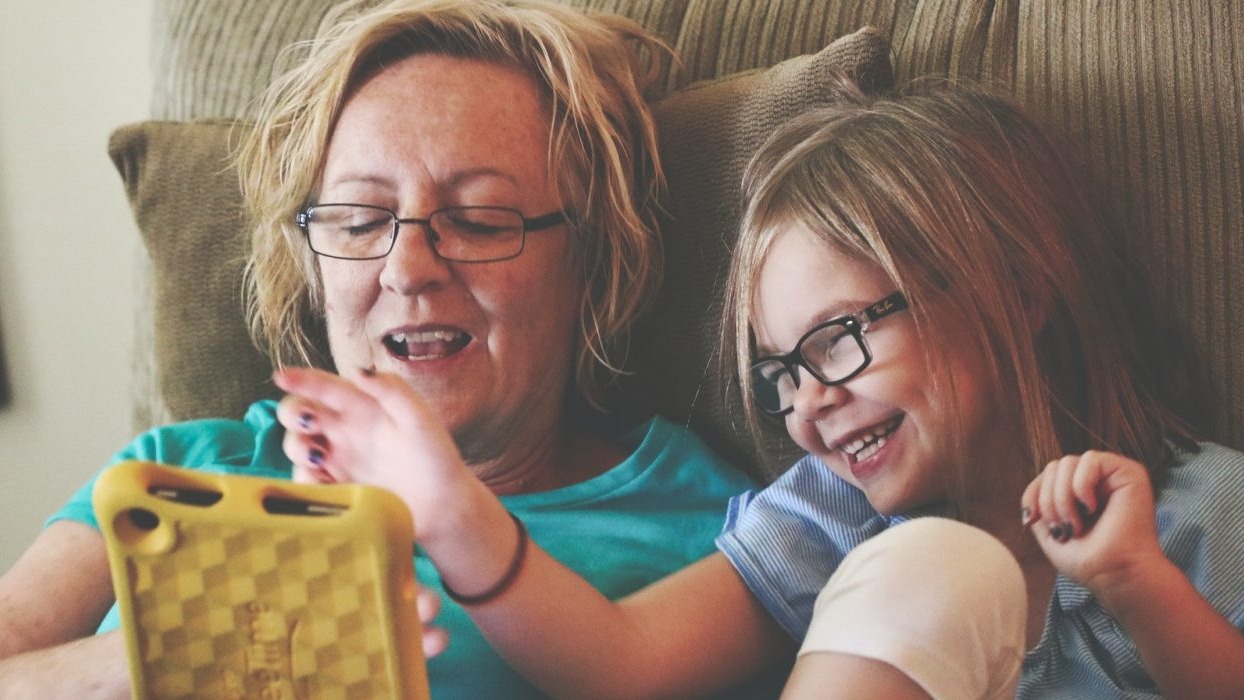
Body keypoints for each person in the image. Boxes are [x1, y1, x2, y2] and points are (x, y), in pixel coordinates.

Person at [274, 76, 1244, 699]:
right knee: (941, 565)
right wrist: (450, 510)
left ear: (1016, 289)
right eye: (777, 372)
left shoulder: (1203, 511)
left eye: (833, 342)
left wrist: (1133, 585)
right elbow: (621, 664)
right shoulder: (832, 517)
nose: (803, 406)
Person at [0, 1, 770, 697]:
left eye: (480, 218)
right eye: (360, 221)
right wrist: (188, 655)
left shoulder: (718, 531)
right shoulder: (180, 471)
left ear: (591, 260)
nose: (407, 269)